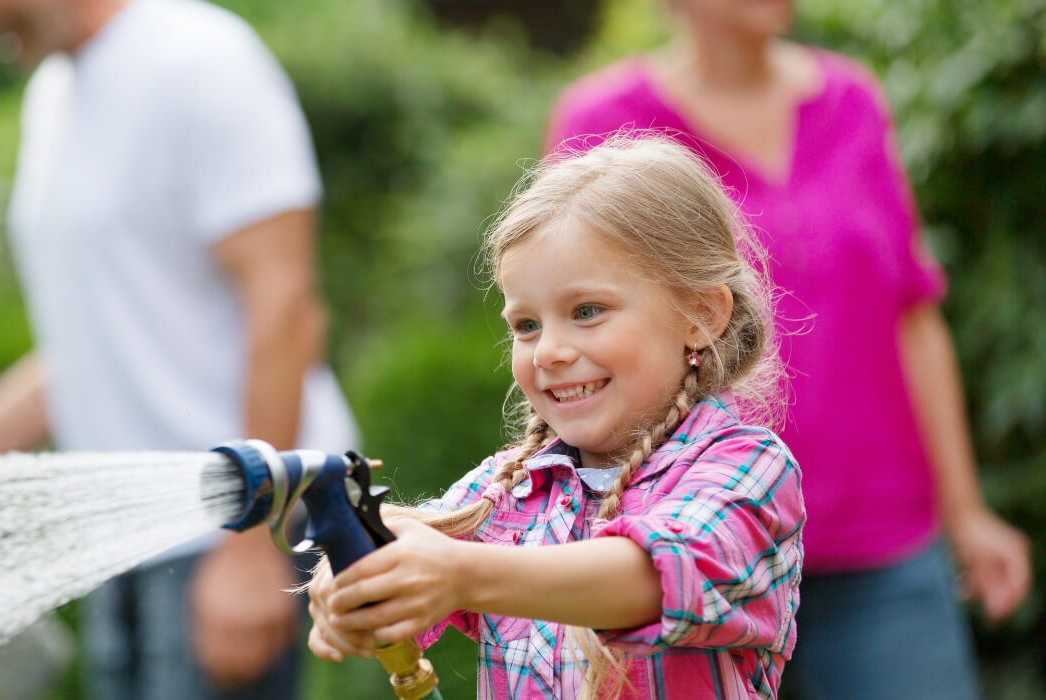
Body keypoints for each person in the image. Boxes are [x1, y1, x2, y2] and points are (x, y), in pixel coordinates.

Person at [542, 2, 1032, 698]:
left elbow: (912, 314)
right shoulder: (605, 119)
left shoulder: (853, 100)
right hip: (679, 553)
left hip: (878, 545)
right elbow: (573, 335)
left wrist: (966, 510)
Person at [0, 0, 359, 698]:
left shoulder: (201, 62)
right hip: (125, 536)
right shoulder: (54, 94)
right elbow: (108, 335)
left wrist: (248, 545)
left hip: (225, 531)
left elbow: (285, 310)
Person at [306, 136, 804, 698]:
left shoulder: (749, 468)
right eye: (526, 325)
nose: (547, 352)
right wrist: (356, 578)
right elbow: (412, 561)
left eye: (586, 311)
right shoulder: (511, 490)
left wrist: (458, 574)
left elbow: (654, 578)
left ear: (701, 314)